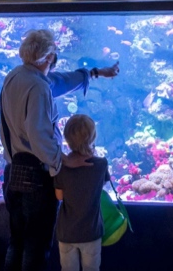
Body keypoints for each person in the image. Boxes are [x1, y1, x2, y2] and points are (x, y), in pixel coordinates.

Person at [0, 29, 120, 271]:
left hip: (12, 174)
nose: (54, 63)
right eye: (53, 58)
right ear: (47, 58)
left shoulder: (16, 76)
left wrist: (95, 73)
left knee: (17, 242)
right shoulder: (38, 87)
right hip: (36, 178)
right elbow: (38, 132)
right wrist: (62, 159)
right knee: (36, 244)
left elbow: (61, 81)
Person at [54, 114, 110, 271]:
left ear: (66, 138)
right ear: (92, 136)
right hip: (91, 232)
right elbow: (102, 187)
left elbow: (59, 196)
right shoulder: (101, 164)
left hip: (67, 233)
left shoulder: (62, 166)